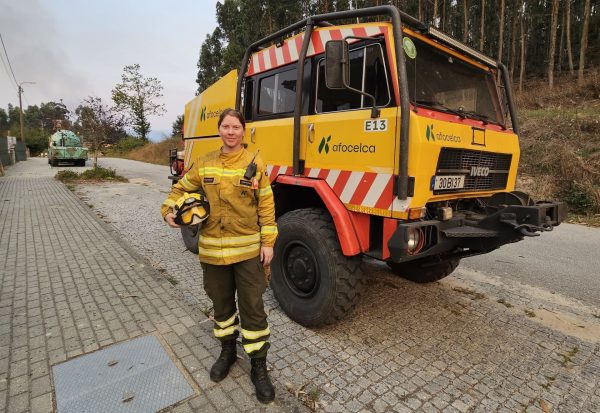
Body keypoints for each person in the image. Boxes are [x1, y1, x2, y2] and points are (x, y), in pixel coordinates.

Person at [160, 108, 277, 404]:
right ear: (219, 130)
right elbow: (180, 189)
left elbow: (265, 205)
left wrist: (268, 241)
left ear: (243, 131)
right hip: (213, 252)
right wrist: (168, 211)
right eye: (225, 126)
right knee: (221, 306)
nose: (230, 131)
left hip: (248, 251)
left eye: (235, 127)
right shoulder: (205, 163)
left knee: (253, 308)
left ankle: (259, 367)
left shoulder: (254, 163)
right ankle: (227, 351)